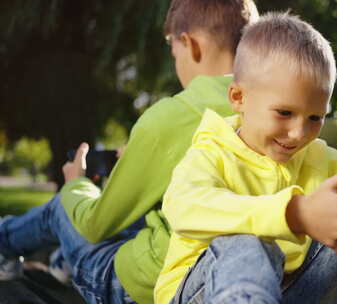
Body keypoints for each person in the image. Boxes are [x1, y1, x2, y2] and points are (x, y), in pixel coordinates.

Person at [156, 12, 337, 304]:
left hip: (285, 292)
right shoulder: (212, 153)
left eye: (315, 117)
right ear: (239, 98)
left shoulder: (315, 156)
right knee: (246, 242)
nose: (298, 134)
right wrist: (294, 213)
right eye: (284, 113)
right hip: (203, 293)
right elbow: (183, 206)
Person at [0, 1, 259, 303]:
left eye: (174, 52)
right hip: (218, 272)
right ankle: (59, 261)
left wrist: (75, 182)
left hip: (138, 288)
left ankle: (6, 245)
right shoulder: (276, 111)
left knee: (63, 207)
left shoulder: (172, 117)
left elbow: (97, 225)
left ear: (190, 44)